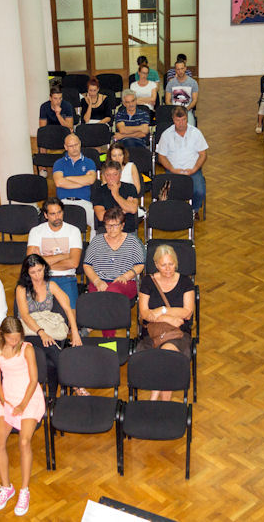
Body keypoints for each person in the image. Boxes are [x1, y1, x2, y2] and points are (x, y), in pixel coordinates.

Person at [0, 317, 45, 516]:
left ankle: (24, 490)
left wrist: (22, 405)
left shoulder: (27, 349)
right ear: (2, 335)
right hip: (7, 398)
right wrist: (4, 402)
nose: (15, 341)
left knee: (24, 441)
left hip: (29, 397)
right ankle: (6, 487)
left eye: (18, 337)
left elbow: (34, 380)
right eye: (11, 338)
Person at [15, 254, 82, 398]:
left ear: (44, 268)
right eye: (33, 272)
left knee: (51, 360)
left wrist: (75, 332)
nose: (37, 275)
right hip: (30, 331)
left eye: (39, 270)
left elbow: (68, 308)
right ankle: (75, 384)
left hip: (48, 328)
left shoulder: (51, 285)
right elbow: (25, 315)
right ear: (27, 273)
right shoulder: (21, 289)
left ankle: (51, 397)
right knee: (51, 348)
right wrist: (41, 332)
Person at [137, 244, 195, 401]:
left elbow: (187, 312)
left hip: (178, 334)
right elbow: (145, 313)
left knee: (167, 354)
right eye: (163, 265)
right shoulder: (148, 281)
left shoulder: (186, 282)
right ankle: (162, 404)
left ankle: (155, 400)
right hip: (152, 334)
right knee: (165, 358)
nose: (168, 269)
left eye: (171, 264)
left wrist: (161, 310)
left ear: (176, 263)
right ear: (156, 265)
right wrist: (168, 318)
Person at [26, 197, 83, 308]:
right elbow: (32, 263)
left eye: (59, 212)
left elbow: (74, 263)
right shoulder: (36, 231)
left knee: (71, 314)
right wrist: (63, 256)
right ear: (46, 215)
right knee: (37, 313)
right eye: (52, 214)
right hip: (41, 278)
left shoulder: (73, 231)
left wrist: (42, 263)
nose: (57, 217)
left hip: (67, 277)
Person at [156, 105, 209, 218]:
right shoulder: (166, 135)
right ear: (173, 119)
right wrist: (172, 169)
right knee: (168, 193)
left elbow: (203, 154)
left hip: (193, 170)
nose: (181, 123)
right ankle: (175, 211)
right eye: (178, 120)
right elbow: (161, 157)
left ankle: (194, 211)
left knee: (199, 191)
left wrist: (194, 169)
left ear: (187, 118)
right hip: (172, 171)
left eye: (184, 120)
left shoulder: (196, 133)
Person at [83, 206, 145, 304]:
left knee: (111, 293)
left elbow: (140, 265)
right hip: (99, 281)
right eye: (108, 225)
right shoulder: (97, 241)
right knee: (99, 296)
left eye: (115, 225)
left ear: (122, 225)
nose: (111, 229)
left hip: (124, 281)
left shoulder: (132, 241)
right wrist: (97, 281)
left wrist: (125, 276)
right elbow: (87, 265)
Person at [53, 133, 98, 233]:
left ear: (80, 144)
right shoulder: (59, 163)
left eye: (76, 144)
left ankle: (92, 244)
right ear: (65, 147)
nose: (74, 148)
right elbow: (59, 182)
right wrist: (83, 181)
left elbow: (91, 180)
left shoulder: (89, 162)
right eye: (71, 146)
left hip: (84, 202)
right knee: (53, 224)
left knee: (97, 223)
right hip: (63, 203)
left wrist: (67, 178)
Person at [90, 160, 139, 234]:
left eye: (115, 174)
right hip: (106, 231)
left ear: (120, 174)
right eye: (108, 175)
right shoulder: (98, 191)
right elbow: (101, 216)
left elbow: (133, 209)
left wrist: (116, 195)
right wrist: (123, 210)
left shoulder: (130, 188)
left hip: (127, 230)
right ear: (104, 176)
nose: (111, 178)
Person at [165, 60, 199, 126]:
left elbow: (194, 100)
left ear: (185, 68)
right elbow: (167, 100)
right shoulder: (170, 83)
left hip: (187, 111)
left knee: (190, 127)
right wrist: (175, 110)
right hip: (174, 111)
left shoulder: (193, 83)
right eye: (178, 69)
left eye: (182, 68)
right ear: (175, 70)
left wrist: (186, 109)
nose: (180, 71)